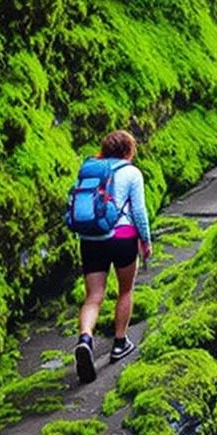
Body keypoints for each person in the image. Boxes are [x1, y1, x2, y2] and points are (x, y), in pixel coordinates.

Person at [73, 129, 152, 383]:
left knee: (93, 296)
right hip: (122, 237)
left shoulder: (89, 169)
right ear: (129, 150)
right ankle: (120, 342)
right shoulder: (131, 173)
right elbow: (139, 211)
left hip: (91, 238)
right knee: (125, 290)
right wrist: (146, 241)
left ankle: (85, 338)